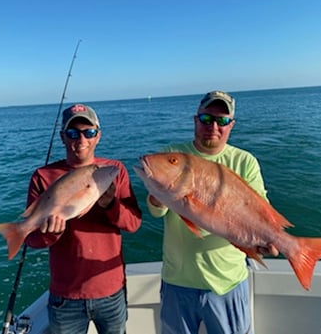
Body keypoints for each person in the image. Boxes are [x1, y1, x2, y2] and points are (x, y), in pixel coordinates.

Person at [147, 90, 277, 334]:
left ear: (231, 125)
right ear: (195, 120)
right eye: (206, 119)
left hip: (227, 282)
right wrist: (158, 195)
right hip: (178, 281)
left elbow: (261, 211)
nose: (214, 126)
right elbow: (156, 212)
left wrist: (267, 239)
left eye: (222, 120)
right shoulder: (174, 152)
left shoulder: (245, 161)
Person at [25, 103, 142, 334]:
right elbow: (32, 240)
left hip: (110, 290)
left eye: (89, 132)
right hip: (65, 296)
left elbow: (134, 224)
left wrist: (110, 205)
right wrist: (52, 232)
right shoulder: (43, 176)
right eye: (72, 132)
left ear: (98, 135)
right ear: (62, 137)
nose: (81, 139)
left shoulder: (114, 170)